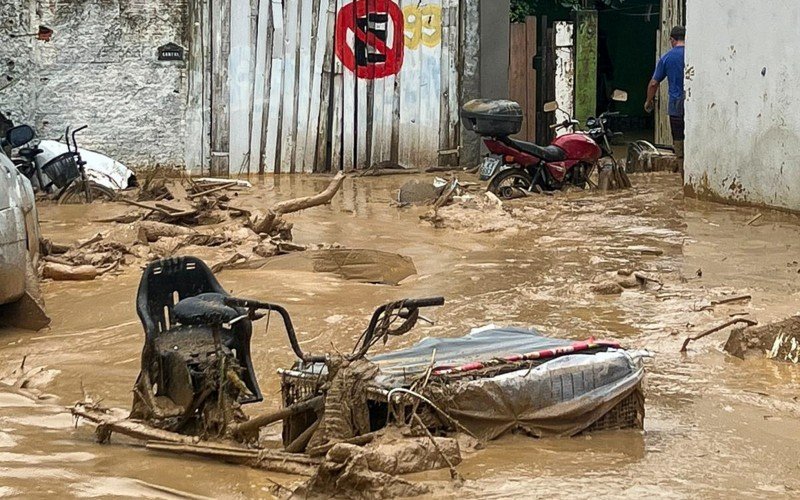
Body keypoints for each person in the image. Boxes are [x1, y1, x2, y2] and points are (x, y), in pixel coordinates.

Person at [645, 25, 685, 160]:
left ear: (672, 40)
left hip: (676, 105)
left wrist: (648, 101)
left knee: (678, 141)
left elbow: (653, 83)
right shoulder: (695, 55)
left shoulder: (667, 58)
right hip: (694, 106)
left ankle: (681, 172)